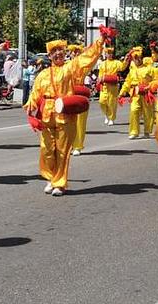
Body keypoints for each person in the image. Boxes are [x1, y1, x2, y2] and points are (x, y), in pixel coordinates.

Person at [25, 37, 105, 196]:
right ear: (49, 56)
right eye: (53, 52)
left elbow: (85, 59)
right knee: (47, 150)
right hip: (47, 115)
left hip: (64, 114)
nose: (57, 54)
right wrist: (30, 105)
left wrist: (100, 42)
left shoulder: (70, 68)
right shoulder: (43, 74)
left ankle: (59, 184)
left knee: (62, 151)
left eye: (60, 51)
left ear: (64, 52)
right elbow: (36, 92)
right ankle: (51, 177)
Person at [120, 47, 155, 139]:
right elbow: (128, 81)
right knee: (134, 110)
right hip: (135, 93)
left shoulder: (149, 68)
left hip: (147, 93)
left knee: (148, 113)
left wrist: (150, 86)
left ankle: (147, 131)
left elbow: (156, 79)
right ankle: (134, 131)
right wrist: (122, 92)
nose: (137, 60)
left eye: (138, 57)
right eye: (134, 58)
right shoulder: (132, 69)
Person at [97, 47, 127, 126]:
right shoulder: (103, 64)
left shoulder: (116, 62)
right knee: (102, 101)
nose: (109, 55)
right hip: (104, 86)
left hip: (113, 86)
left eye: (111, 53)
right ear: (105, 54)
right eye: (108, 53)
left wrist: (126, 61)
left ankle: (111, 118)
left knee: (112, 103)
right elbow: (100, 74)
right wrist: (99, 79)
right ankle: (106, 114)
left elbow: (122, 67)